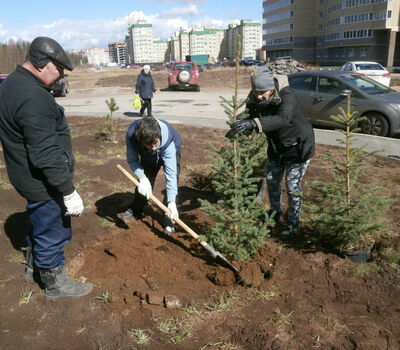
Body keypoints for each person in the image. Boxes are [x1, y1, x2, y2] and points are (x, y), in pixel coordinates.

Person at [0, 36, 93, 299]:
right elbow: (44, 151)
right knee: (53, 230)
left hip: (25, 175)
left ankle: (34, 270)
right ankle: (56, 286)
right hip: (43, 181)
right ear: (42, 63)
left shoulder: (12, 84)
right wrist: (67, 190)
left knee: (39, 224)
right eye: (59, 68)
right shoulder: (33, 97)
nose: (62, 75)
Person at [226, 65, 315, 238]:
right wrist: (238, 125)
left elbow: (283, 118)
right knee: (272, 180)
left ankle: (293, 222)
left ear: (271, 88)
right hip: (276, 147)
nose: (259, 96)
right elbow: (248, 114)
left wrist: (254, 124)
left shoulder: (287, 95)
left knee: (292, 186)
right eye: (256, 91)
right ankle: (275, 214)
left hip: (298, 147)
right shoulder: (255, 98)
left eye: (263, 92)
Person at [121, 117, 181, 234]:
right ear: (141, 141)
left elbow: (171, 176)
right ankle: (137, 208)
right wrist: (142, 178)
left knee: (173, 182)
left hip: (171, 147)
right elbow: (132, 160)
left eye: (154, 143)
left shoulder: (168, 140)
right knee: (145, 181)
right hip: (147, 152)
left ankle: (169, 219)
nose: (153, 147)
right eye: (149, 145)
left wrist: (172, 202)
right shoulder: (132, 137)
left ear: (158, 136)